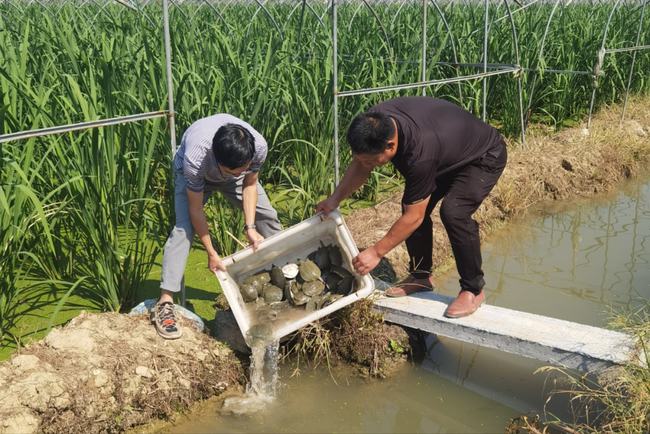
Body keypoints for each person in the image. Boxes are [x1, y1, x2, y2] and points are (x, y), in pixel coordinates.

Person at [316, 96, 507, 318]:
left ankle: (473, 290)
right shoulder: (375, 123)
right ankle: (421, 276)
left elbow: (414, 217)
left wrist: (376, 252)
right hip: (446, 153)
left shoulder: (419, 153)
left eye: (371, 161)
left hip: (482, 156)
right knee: (411, 203)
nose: (367, 166)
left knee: (454, 213)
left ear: (391, 145)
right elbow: (360, 165)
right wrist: (335, 199)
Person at [152, 114, 281, 339]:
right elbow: (196, 210)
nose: (241, 173)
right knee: (183, 230)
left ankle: (285, 272)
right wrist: (211, 253)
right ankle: (165, 301)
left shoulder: (258, 147)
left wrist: (250, 227)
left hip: (232, 170)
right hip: (192, 176)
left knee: (267, 215)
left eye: (245, 167)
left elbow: (249, 183)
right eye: (235, 171)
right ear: (219, 162)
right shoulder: (196, 158)